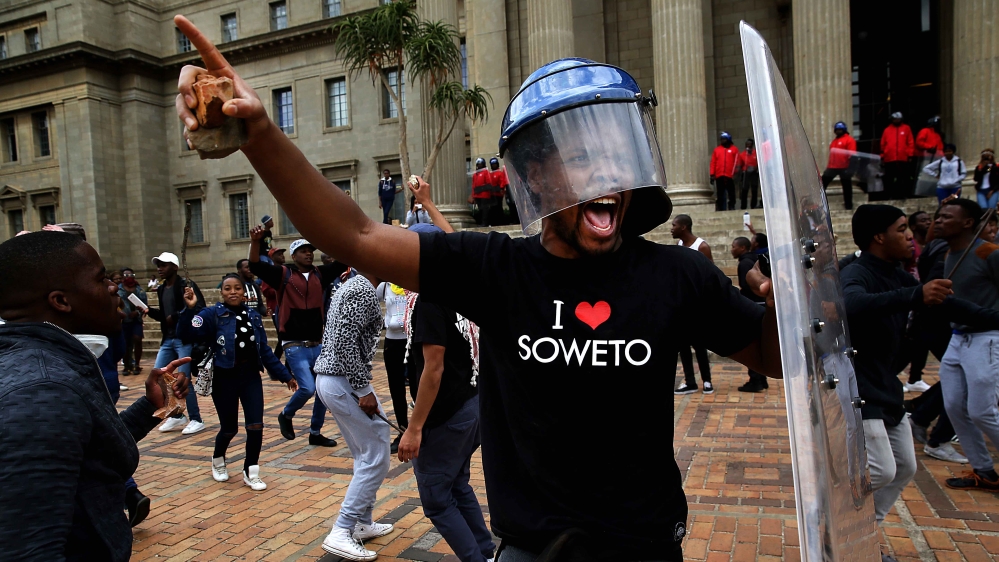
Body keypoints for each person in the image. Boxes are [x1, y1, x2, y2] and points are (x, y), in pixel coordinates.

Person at [174, 32, 783, 559]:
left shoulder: (677, 274)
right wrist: (259, 133)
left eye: (612, 157)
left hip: (646, 545)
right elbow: (355, 235)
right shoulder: (496, 268)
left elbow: (771, 354)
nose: (604, 177)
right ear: (537, 178)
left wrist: (788, 301)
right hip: (531, 548)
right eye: (578, 162)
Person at [0, 231, 190, 561]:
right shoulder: (44, 391)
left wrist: (148, 407)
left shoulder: (50, 366)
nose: (113, 287)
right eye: (101, 279)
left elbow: (87, 451)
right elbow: (29, 549)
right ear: (61, 301)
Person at [840, 205, 959, 529]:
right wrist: (915, 295)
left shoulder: (898, 274)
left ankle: (867, 531)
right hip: (859, 385)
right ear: (879, 236)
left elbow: (941, 302)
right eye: (902, 228)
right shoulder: (856, 272)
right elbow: (850, 304)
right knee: (880, 470)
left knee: (905, 466)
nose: (911, 236)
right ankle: (837, 521)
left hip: (885, 383)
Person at [397, 224, 494, 562]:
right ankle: (484, 551)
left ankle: (477, 559)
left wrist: (414, 428)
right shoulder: (459, 289)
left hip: (447, 415)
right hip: (469, 405)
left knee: (437, 499)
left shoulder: (431, 299)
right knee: (457, 485)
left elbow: (433, 370)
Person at [178, 277, 297, 491]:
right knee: (229, 428)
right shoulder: (212, 314)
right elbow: (186, 333)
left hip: (250, 376)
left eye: (237, 288)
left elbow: (264, 351)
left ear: (244, 292)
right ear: (222, 292)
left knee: (255, 425)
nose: (233, 292)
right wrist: (190, 308)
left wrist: (285, 375)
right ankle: (218, 459)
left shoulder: (252, 316)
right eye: (227, 288)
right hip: (224, 377)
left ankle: (251, 471)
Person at [313, 270, 396, 560]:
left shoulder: (356, 286)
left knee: (367, 453)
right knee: (375, 456)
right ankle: (342, 530)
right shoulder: (360, 289)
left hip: (336, 379)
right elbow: (346, 342)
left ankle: (362, 522)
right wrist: (362, 390)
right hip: (343, 381)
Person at [249, 233, 341, 447]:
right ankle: (286, 414)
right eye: (303, 251)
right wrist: (255, 242)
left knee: (323, 391)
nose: (308, 253)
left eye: (311, 250)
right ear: (294, 254)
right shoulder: (282, 274)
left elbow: (344, 262)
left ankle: (315, 432)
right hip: (294, 344)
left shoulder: (320, 274)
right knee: (308, 388)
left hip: (317, 343)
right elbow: (255, 265)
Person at [934, 199, 999, 491]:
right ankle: (984, 471)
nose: (938, 220)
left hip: (987, 337)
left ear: (969, 222)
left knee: (982, 410)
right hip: (958, 338)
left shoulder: (989, 252)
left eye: (947, 216)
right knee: (954, 407)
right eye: (938, 215)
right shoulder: (950, 254)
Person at [148, 251, 207, 435]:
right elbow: (164, 317)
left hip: (184, 339)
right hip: (168, 339)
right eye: (158, 265)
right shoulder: (162, 288)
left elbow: (198, 308)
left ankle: (197, 419)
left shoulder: (185, 286)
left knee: (184, 379)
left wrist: (177, 316)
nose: (160, 268)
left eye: (163, 265)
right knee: (159, 376)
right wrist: (148, 310)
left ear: (174, 266)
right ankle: (176, 414)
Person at [670, 214, 715, 395]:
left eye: (674, 225)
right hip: (682, 304)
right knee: (683, 345)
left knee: (699, 345)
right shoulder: (680, 246)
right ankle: (690, 381)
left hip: (696, 304)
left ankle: (707, 381)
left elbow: (710, 274)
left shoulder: (701, 246)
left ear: (684, 227)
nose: (671, 228)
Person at [376, 279, 413, 454]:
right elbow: (372, 302)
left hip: (412, 341)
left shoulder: (412, 283)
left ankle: (423, 430)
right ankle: (402, 430)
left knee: (417, 386)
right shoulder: (385, 286)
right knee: (397, 390)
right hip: (392, 342)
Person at [731, 237, 768, 392]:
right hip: (759, 305)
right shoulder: (750, 260)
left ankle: (756, 380)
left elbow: (747, 285)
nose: (732, 249)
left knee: (752, 341)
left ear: (742, 248)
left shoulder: (745, 263)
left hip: (753, 305)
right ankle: (761, 379)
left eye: (734, 246)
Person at [821, 121, 858, 210]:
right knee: (822, 184)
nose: (838, 131)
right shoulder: (834, 141)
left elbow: (852, 154)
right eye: (837, 129)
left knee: (847, 187)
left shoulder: (849, 140)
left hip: (844, 167)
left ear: (844, 130)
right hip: (832, 167)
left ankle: (848, 206)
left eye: (840, 129)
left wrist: (851, 168)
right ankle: (820, 203)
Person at [119, 267, 148, 376]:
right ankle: (127, 365)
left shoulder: (139, 290)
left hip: (136, 320)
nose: (129, 277)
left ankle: (137, 364)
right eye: (126, 275)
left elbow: (145, 306)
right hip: (124, 320)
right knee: (126, 344)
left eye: (131, 275)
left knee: (137, 339)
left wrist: (137, 312)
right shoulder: (119, 290)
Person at [880, 112, 914, 199]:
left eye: (898, 119)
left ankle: (903, 194)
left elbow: (910, 142)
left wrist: (910, 155)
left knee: (903, 178)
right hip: (889, 158)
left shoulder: (906, 128)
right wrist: (883, 156)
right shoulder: (887, 130)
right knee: (889, 179)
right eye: (894, 119)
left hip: (902, 158)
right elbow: (883, 144)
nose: (896, 120)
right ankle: (889, 195)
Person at [710, 132, 739, 211]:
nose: (722, 141)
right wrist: (712, 174)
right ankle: (721, 207)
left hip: (730, 175)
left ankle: (731, 205)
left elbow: (737, 162)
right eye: (721, 139)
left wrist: (735, 172)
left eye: (724, 139)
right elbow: (713, 162)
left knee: (731, 192)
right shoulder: (717, 150)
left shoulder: (734, 149)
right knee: (720, 193)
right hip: (719, 175)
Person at [734, 138, 760, 210]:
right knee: (744, 189)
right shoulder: (742, 154)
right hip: (746, 173)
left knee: (754, 189)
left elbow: (759, 162)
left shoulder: (756, 153)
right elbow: (740, 164)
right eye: (747, 144)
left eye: (749, 144)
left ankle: (753, 205)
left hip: (754, 172)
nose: (748, 145)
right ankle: (743, 206)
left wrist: (755, 167)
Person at [470, 157, 494, 226]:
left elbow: (489, 183)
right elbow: (473, 185)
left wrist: (481, 188)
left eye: (481, 164)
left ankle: (485, 223)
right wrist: (473, 195)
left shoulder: (486, 172)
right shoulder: (475, 174)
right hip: (477, 195)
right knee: (480, 209)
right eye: (478, 164)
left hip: (484, 195)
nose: (479, 165)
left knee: (485, 210)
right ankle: (481, 222)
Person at [490, 157, 511, 225]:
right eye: (492, 164)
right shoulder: (490, 174)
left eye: (495, 164)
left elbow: (502, 181)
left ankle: (501, 222)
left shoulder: (500, 173)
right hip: (492, 194)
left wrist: (501, 188)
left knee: (499, 207)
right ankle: (494, 222)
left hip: (498, 193)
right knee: (493, 208)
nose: (494, 165)